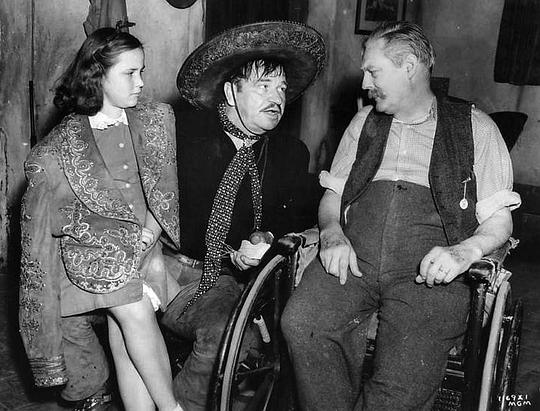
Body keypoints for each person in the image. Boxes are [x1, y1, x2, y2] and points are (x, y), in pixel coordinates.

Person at [281, 21, 522, 411]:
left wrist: (463, 252)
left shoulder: (476, 128)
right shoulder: (363, 123)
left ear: (409, 67)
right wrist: (332, 232)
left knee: (398, 386)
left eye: (373, 72)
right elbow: (334, 195)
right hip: (355, 259)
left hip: (429, 273)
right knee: (303, 322)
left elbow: (499, 221)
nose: (364, 84)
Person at [157, 20, 325, 410]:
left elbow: (289, 217)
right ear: (231, 92)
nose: (277, 98)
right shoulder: (182, 140)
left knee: (228, 333)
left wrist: (264, 239)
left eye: (282, 88)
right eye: (263, 86)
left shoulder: (289, 154)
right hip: (164, 268)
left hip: (224, 280)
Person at [19, 27, 183, 411]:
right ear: (98, 76)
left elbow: (165, 192)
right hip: (94, 254)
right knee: (134, 311)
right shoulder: (59, 146)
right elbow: (47, 222)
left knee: (125, 336)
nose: (140, 82)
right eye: (130, 73)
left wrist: (149, 234)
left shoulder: (155, 120)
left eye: (142, 71)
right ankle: (172, 408)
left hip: (145, 245)